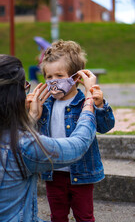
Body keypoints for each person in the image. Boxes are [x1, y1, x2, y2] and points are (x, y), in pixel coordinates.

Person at [0, 54, 97, 222]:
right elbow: (79, 145)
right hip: (54, 177)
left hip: (80, 175)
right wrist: (90, 99)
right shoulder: (24, 145)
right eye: (25, 87)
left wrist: (31, 118)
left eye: (59, 76)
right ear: (13, 97)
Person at [38, 40, 115, 222]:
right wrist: (31, 112)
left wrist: (100, 105)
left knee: (84, 216)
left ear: (75, 78)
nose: (53, 81)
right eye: (49, 77)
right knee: (57, 216)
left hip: (81, 173)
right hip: (54, 173)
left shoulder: (85, 102)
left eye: (59, 75)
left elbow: (105, 127)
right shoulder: (45, 105)